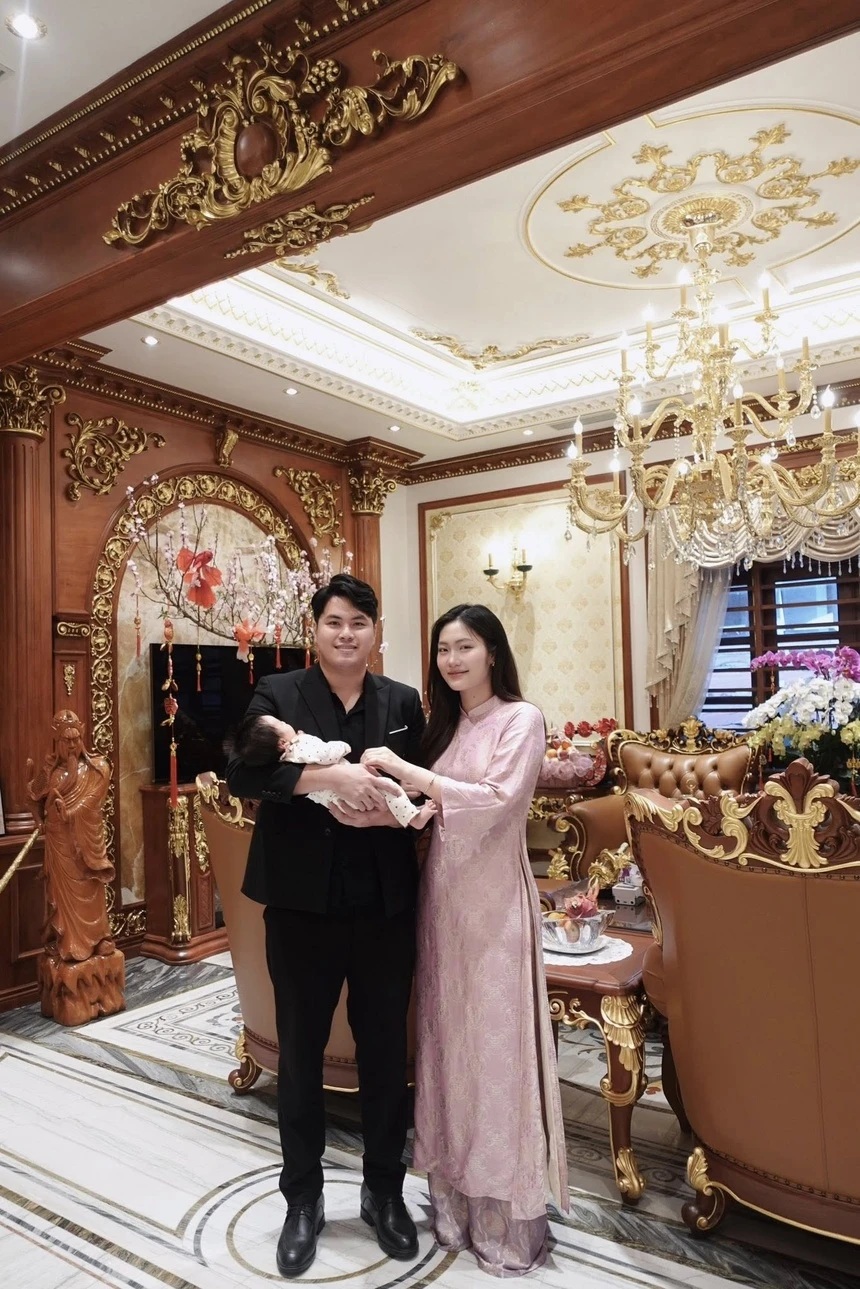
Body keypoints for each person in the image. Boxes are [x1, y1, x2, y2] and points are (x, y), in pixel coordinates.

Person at [226, 573, 426, 1278]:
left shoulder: (402, 701)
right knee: (301, 1055)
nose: (347, 634)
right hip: (300, 907)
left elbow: (421, 784)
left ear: (376, 633)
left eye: (359, 623)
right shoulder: (278, 694)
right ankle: (303, 1200)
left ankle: (384, 1192)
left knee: (385, 1055)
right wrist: (328, 780)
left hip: (384, 907)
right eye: (335, 622)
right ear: (315, 629)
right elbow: (241, 774)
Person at [361, 604, 568, 1276]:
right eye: (443, 649)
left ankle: (504, 1223)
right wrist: (393, 805)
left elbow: (495, 798)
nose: (452, 660)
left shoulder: (521, 719)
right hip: (441, 908)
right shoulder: (447, 726)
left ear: (492, 652)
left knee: (495, 1056)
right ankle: (453, 1210)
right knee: (448, 1050)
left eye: (465, 647)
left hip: (495, 911)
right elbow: (436, 810)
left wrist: (409, 770)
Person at [234, 715, 436, 830]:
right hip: (340, 803)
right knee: (390, 790)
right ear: (282, 743)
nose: (286, 722)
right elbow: (326, 754)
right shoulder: (300, 746)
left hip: (335, 803)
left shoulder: (288, 757)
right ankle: (414, 818)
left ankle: (410, 814)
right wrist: (341, 748)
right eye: (281, 724)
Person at [26, 708, 115, 963]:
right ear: (57, 740)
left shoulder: (97, 769)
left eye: (76, 739)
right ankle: (66, 942)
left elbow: (92, 801)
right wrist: (39, 820)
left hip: (85, 843)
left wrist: (70, 813)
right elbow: (32, 797)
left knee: (92, 887)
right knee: (63, 896)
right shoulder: (51, 772)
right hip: (59, 844)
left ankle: (99, 938)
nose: (73, 745)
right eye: (67, 740)